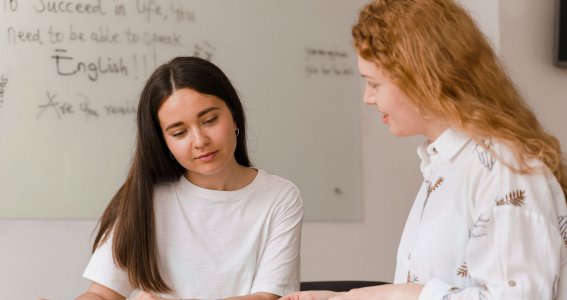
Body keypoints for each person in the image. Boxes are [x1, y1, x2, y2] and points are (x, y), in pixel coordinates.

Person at [282, 0, 567, 299]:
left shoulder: (503, 168)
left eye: (374, 84)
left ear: (420, 78)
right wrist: (345, 298)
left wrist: (402, 294)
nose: (367, 97)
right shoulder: (446, 166)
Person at [76, 56, 303, 300]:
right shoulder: (146, 199)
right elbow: (101, 294)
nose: (200, 141)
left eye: (209, 120)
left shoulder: (279, 196)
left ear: (234, 115)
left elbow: (267, 298)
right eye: (179, 132)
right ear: (164, 142)